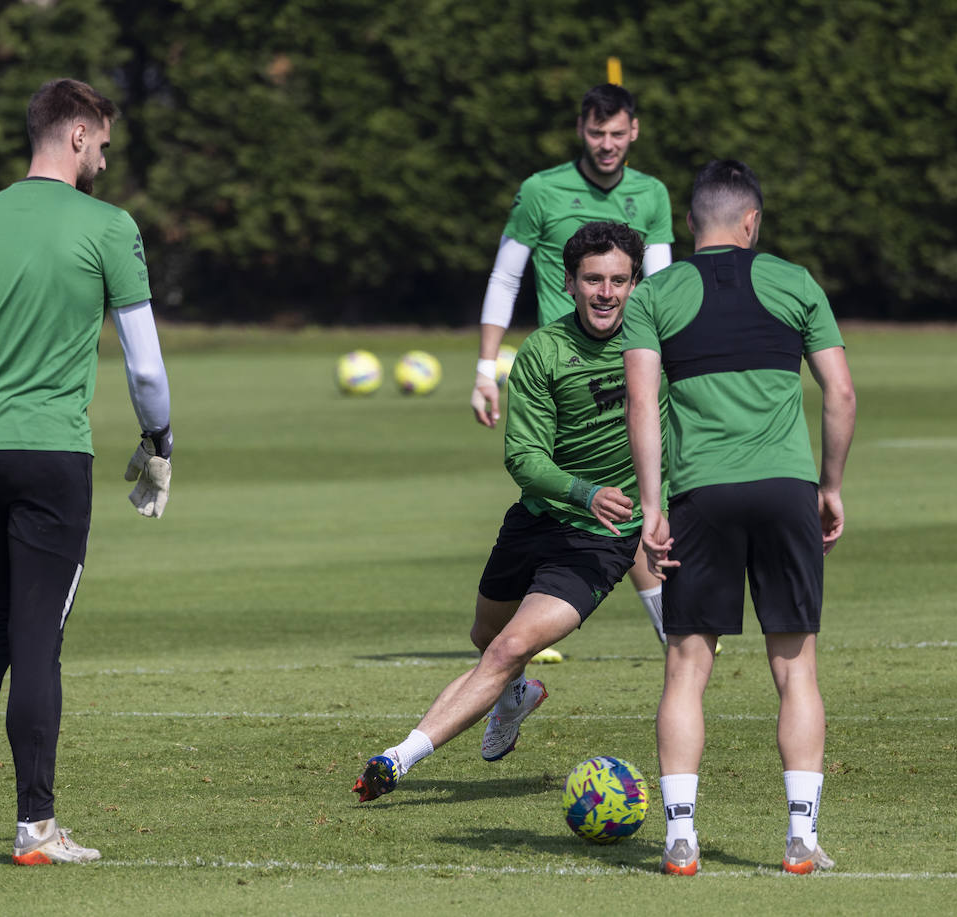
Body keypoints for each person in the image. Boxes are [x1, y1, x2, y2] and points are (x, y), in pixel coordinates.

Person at [0, 78, 174, 866]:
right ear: (79, 134)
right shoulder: (110, 227)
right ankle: (37, 826)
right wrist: (160, 439)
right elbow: (145, 366)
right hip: (51, 454)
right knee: (37, 637)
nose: (107, 162)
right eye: (105, 146)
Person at [354, 221, 662, 802]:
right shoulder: (545, 351)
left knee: (507, 648)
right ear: (568, 282)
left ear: (635, 283)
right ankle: (515, 698)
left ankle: (399, 758)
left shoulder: (657, 347)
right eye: (593, 279)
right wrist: (582, 490)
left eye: (619, 280)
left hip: (600, 540)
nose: (606, 293)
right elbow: (523, 457)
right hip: (537, 520)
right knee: (485, 636)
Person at [622, 159, 857, 876]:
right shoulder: (795, 282)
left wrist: (654, 505)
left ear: (692, 224)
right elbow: (841, 394)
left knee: (687, 667)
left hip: (702, 496)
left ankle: (681, 837)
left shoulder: (654, 293)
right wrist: (830, 485)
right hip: (786, 489)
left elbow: (641, 408)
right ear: (751, 222)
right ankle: (799, 837)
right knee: (795, 666)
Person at [471, 82, 676, 646]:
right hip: (561, 368)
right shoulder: (542, 190)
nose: (606, 144)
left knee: (630, 487)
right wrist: (486, 370)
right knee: (567, 489)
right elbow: (506, 275)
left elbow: (661, 285)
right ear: (580, 130)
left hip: (628, 359)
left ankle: (666, 624)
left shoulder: (651, 194)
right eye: (595, 132)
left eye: (617, 133)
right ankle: (536, 617)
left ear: (634, 131)